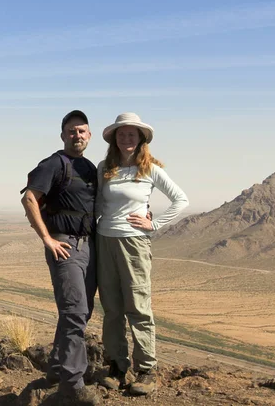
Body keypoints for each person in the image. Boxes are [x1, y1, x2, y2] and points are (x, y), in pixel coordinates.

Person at [95, 112, 189, 395]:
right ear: (114, 139)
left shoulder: (150, 169)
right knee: (111, 308)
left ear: (141, 140)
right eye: (121, 134)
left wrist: (154, 223)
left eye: (132, 134)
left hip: (134, 242)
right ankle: (116, 366)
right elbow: (99, 203)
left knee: (138, 307)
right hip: (104, 240)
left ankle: (146, 370)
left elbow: (180, 199)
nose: (126, 138)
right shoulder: (105, 167)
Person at [21, 110, 100, 405]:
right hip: (65, 245)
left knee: (79, 311)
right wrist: (47, 238)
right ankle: (72, 384)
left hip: (89, 246)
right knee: (75, 312)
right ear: (63, 135)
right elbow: (29, 198)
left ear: (89, 135)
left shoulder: (90, 168)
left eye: (82, 131)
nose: (77, 135)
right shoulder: (54, 164)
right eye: (71, 131)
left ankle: (56, 367)